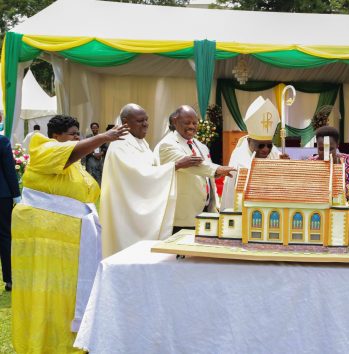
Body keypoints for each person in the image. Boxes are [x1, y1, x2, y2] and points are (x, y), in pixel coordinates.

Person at [11, 115, 128, 353]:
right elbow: (67, 154)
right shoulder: (42, 147)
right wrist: (104, 137)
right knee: (45, 290)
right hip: (43, 237)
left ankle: (71, 341)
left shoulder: (78, 167)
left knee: (69, 292)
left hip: (73, 240)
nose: (78, 138)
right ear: (56, 136)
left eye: (78, 134)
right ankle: (41, 344)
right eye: (73, 133)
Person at [100, 103, 205, 257]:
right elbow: (138, 176)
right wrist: (175, 166)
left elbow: (151, 169)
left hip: (141, 206)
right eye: (140, 121)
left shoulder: (141, 142)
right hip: (126, 212)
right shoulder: (120, 144)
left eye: (146, 120)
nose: (145, 124)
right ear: (125, 122)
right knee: (129, 253)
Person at [158, 105, 235, 233]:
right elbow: (193, 167)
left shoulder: (201, 146)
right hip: (183, 213)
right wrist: (218, 169)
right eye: (187, 123)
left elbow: (205, 175)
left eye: (195, 123)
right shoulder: (167, 144)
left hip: (205, 210)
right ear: (175, 121)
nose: (192, 126)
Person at [220, 96, 288, 210]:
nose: (266, 150)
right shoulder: (238, 157)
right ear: (249, 141)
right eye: (260, 145)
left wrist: (284, 166)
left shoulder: (274, 152)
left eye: (269, 145)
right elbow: (233, 192)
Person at [308, 126, 349, 232]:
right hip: (318, 222)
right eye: (321, 149)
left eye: (330, 148)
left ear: (337, 145)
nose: (325, 153)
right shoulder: (310, 164)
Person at [0, 132, 20, 292]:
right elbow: (9, 169)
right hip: (2, 195)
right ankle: (10, 279)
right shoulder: (2, 141)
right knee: (5, 236)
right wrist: (16, 195)